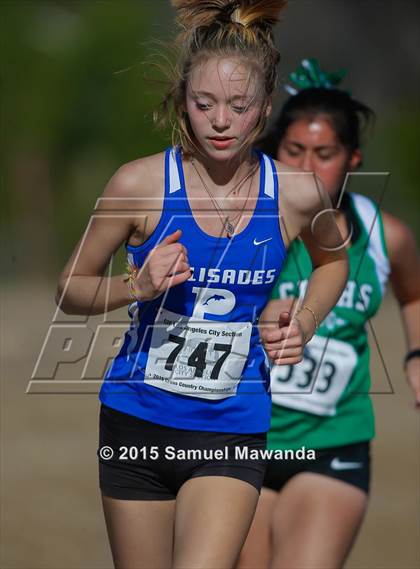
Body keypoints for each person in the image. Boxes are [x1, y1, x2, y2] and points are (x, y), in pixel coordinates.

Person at [55, 6, 349, 567]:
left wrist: (304, 323)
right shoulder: (138, 184)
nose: (220, 121)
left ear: (264, 109)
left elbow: (334, 262)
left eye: (239, 107)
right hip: (136, 421)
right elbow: (70, 288)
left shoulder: (298, 192)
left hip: (232, 426)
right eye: (204, 103)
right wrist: (135, 286)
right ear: (182, 99)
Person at [238, 58, 420, 569]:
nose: (307, 166)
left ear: (353, 159)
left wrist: (416, 355)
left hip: (332, 444)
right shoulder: (242, 228)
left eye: (325, 153)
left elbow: (413, 295)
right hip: (241, 440)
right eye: (294, 151)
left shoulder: (388, 236)